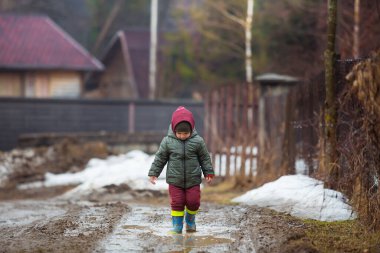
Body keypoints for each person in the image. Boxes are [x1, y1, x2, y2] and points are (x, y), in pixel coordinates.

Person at [148, 106, 215, 234]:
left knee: (193, 202)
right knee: (177, 202)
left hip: (193, 179)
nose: (182, 136)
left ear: (191, 129)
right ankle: (177, 225)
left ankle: (190, 220)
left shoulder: (198, 141)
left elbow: (205, 158)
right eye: (179, 133)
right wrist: (154, 173)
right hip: (175, 180)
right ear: (174, 130)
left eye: (185, 133)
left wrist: (208, 172)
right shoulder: (167, 142)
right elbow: (160, 157)